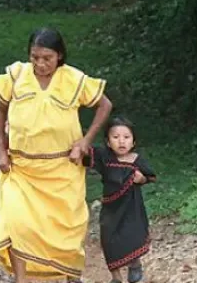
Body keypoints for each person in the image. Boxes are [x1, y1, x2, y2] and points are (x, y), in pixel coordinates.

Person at [0, 27, 113, 282]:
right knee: (16, 223)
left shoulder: (73, 79)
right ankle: (21, 279)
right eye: (35, 57)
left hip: (62, 168)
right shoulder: (16, 75)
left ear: (59, 56)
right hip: (21, 168)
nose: (40, 64)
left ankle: (68, 275)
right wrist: (1, 150)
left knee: (65, 229)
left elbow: (104, 105)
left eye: (47, 58)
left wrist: (85, 141)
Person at [82, 117, 157, 283]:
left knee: (132, 236)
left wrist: (141, 179)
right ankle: (116, 277)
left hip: (132, 209)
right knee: (109, 240)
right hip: (111, 210)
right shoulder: (104, 157)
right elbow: (84, 153)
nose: (121, 141)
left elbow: (150, 177)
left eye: (126, 137)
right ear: (108, 142)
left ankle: (135, 265)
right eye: (115, 137)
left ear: (133, 141)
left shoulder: (137, 160)